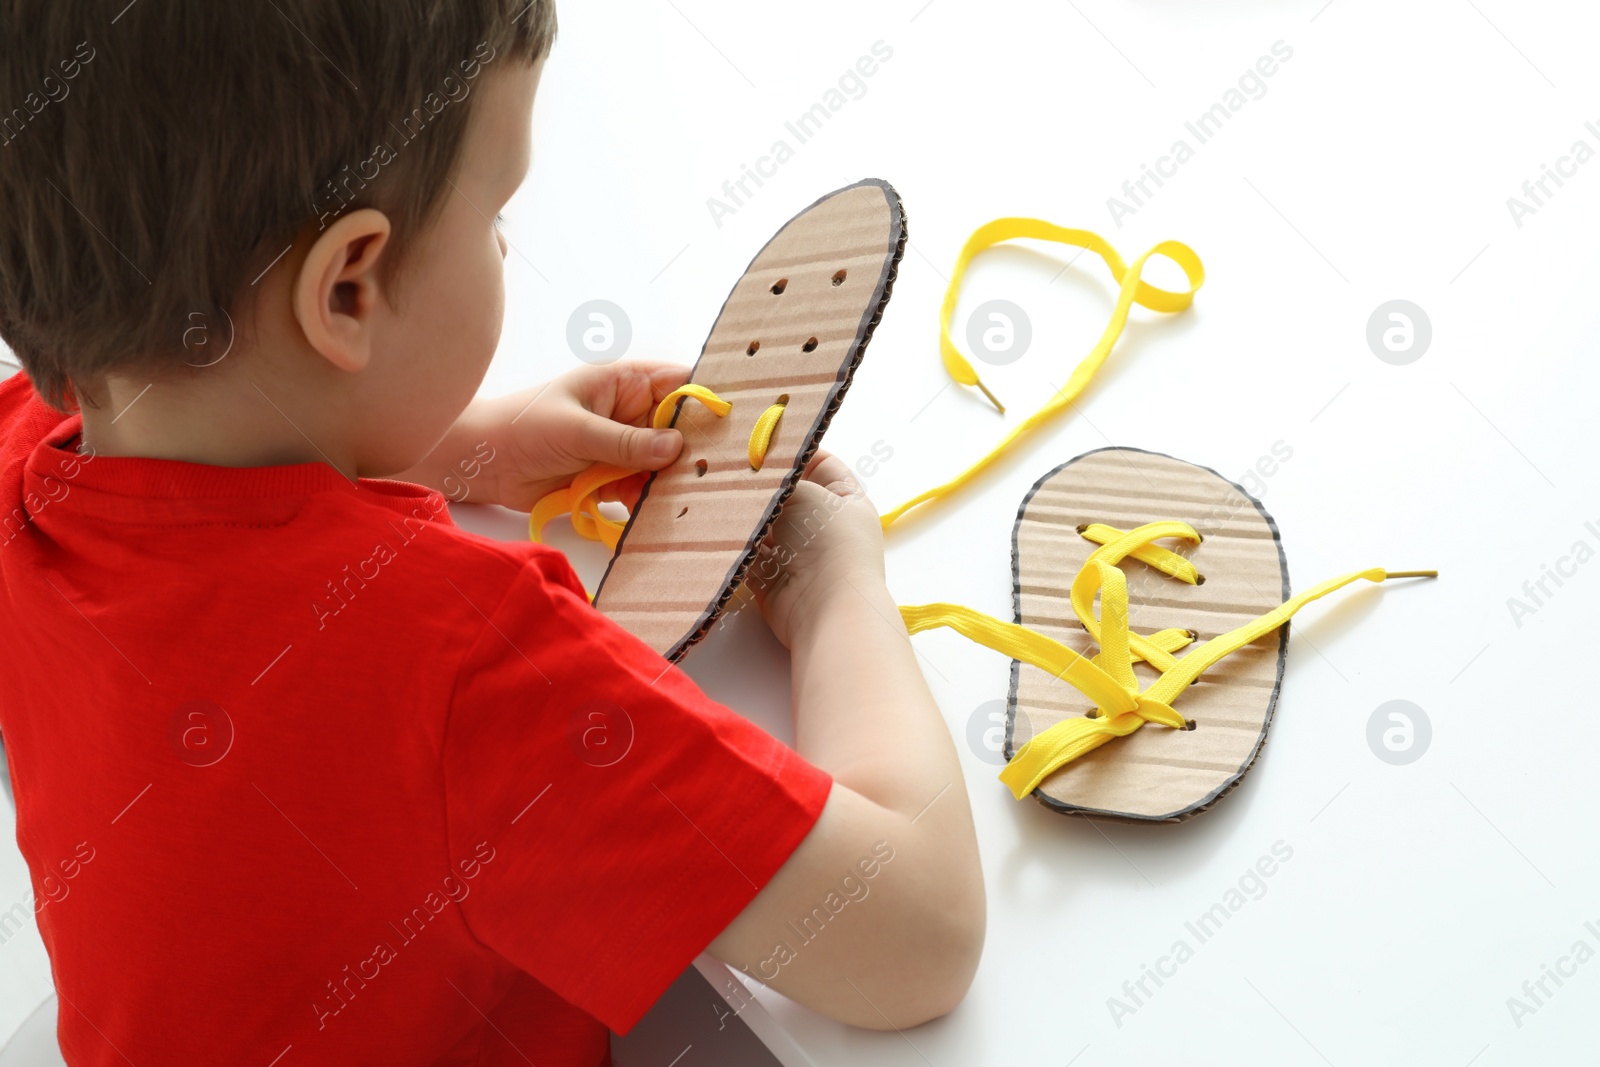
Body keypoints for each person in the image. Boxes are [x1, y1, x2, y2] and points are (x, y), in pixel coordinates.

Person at [0, 3, 984, 1063]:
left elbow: (196, 460)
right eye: (497, 215)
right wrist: (839, 591)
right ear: (349, 284)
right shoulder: (469, 660)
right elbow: (916, 936)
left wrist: (472, 444)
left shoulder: (26, 453)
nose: (508, 238)